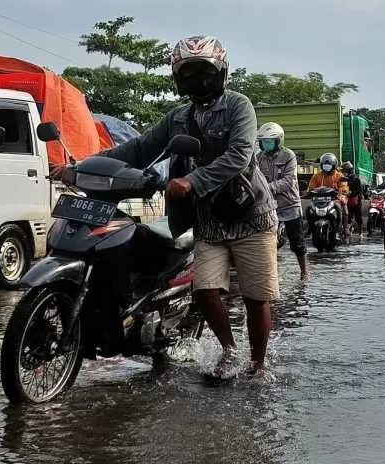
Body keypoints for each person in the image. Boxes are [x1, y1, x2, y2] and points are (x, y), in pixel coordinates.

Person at [94, 35, 279, 379]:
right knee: (206, 290)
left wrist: (193, 181)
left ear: (221, 72)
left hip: (251, 216)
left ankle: (258, 364)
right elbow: (137, 149)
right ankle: (228, 351)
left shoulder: (240, 106)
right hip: (207, 220)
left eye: (204, 71)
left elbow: (239, 155)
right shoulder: (177, 118)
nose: (197, 80)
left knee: (256, 297)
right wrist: (84, 165)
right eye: (188, 73)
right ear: (179, 78)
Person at [257, 122, 308, 280]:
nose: (266, 144)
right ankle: (271, 273)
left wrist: (266, 187)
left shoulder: (288, 156)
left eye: (270, 141)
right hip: (269, 206)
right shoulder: (258, 158)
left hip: (290, 204)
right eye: (264, 141)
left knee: (297, 242)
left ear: (279, 141)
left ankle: (304, 271)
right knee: (268, 242)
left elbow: (288, 181)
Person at [307, 152, 350, 236]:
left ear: (334, 165)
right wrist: (310, 191)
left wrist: (342, 190)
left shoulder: (339, 175)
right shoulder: (317, 176)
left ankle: (343, 229)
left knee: (342, 208)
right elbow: (311, 187)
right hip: (319, 199)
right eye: (325, 163)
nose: (327, 165)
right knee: (308, 209)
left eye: (329, 164)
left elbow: (344, 186)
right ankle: (310, 228)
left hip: (335, 198)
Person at [341, 161, 364, 234]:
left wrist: (351, 193)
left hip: (356, 200)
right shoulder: (344, 179)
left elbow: (359, 190)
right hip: (347, 200)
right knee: (348, 215)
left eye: (344, 170)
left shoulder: (355, 178)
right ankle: (347, 230)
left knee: (358, 216)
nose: (343, 172)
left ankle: (360, 231)